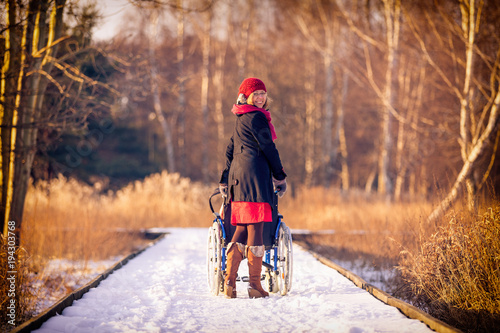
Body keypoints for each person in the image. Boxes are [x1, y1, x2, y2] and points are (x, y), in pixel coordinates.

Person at [219, 77, 287, 299]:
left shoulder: (240, 117)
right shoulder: (257, 117)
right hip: (255, 177)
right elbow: (269, 148)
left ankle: (229, 282)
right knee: (256, 228)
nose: (260, 98)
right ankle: (255, 286)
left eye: (262, 94)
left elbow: (231, 150)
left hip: (238, 180)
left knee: (240, 228)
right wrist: (279, 176)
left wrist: (224, 179)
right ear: (246, 96)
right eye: (255, 94)